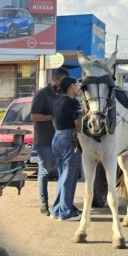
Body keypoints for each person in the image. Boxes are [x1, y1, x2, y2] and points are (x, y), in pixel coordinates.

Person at [30, 67, 70, 215]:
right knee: (45, 171)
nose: (63, 85)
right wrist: (53, 117)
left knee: (63, 172)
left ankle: (62, 203)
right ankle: (44, 204)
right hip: (44, 140)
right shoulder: (42, 94)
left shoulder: (61, 95)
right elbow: (34, 116)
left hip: (60, 139)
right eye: (61, 82)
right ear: (54, 79)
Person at [50, 76, 83, 221]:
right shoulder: (72, 102)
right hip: (69, 138)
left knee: (62, 176)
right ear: (71, 86)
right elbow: (78, 125)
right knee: (68, 177)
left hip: (57, 138)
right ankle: (65, 212)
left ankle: (56, 209)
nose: (79, 87)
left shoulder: (58, 102)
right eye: (77, 84)